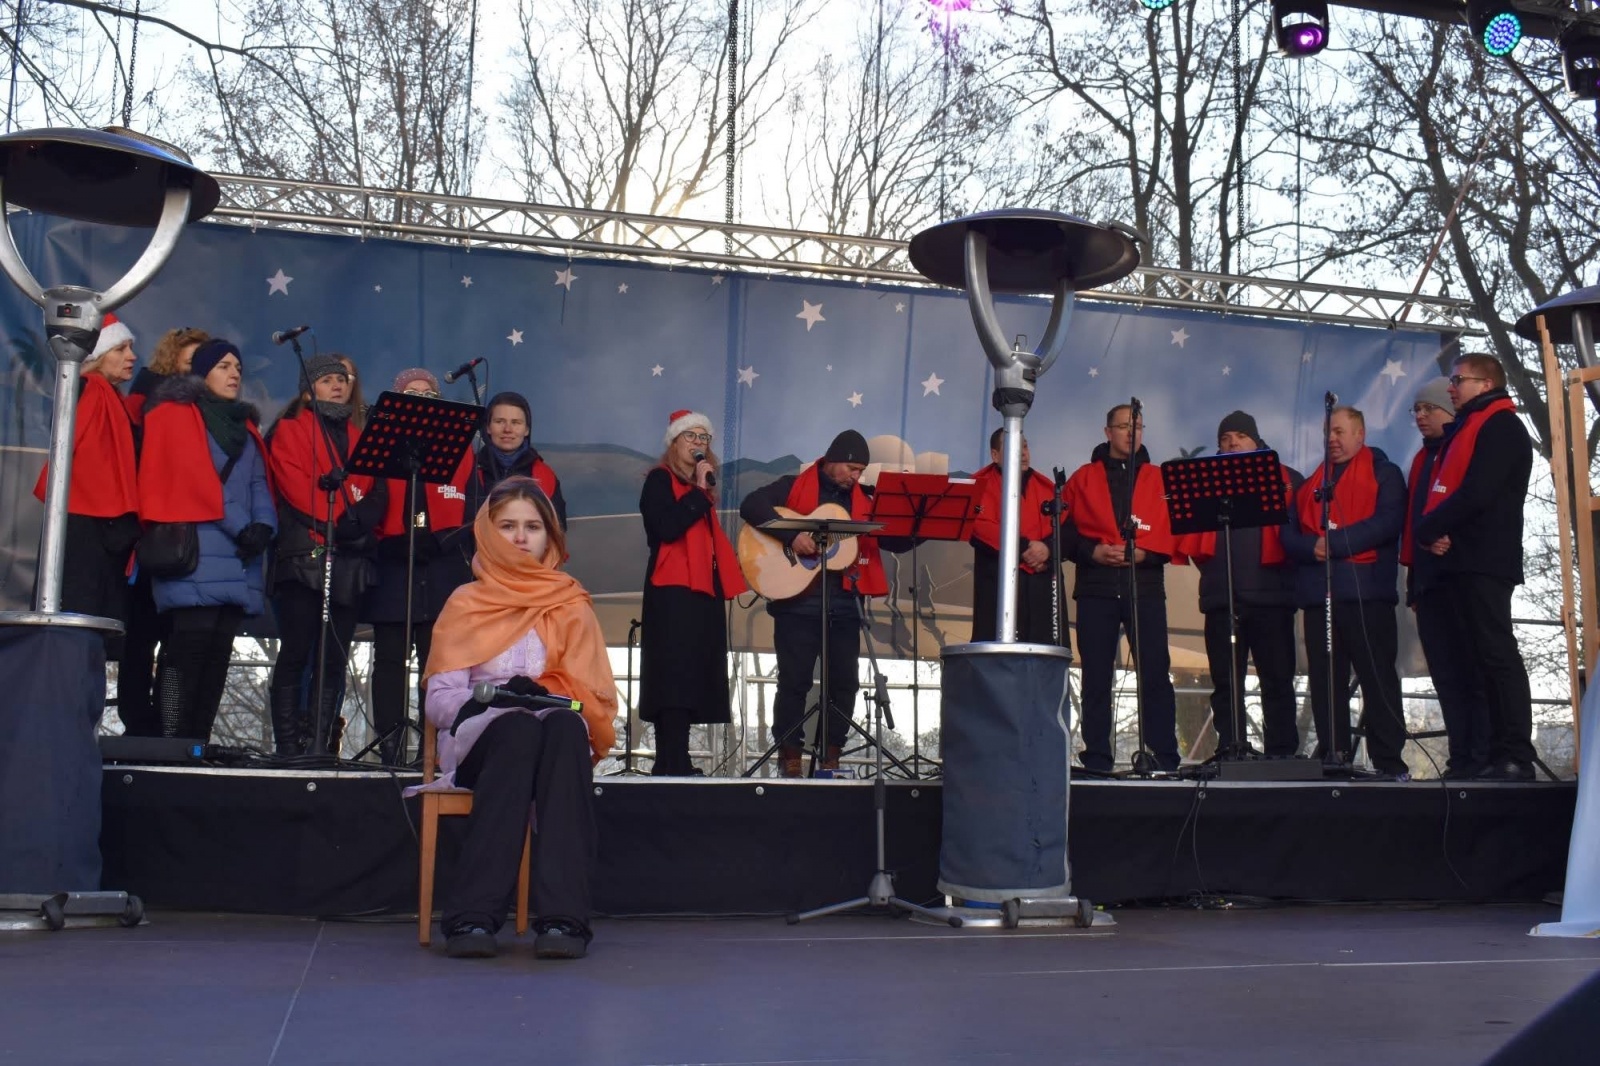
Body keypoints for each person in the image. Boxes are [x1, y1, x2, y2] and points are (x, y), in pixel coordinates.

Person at [423, 477, 617, 960]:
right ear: (487, 532)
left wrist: (545, 696)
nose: (520, 537)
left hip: (554, 741)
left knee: (563, 726)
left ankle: (563, 921)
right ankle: (472, 916)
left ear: (550, 537)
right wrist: (491, 702)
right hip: (481, 743)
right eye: (507, 525)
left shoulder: (571, 603)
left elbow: (593, 695)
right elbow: (439, 700)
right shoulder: (465, 602)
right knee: (515, 728)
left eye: (532, 527)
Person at [739, 429, 914, 777]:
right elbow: (751, 506)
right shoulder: (792, 486)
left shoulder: (865, 498)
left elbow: (892, 538)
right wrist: (793, 535)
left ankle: (831, 755)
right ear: (832, 461)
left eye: (861, 470)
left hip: (846, 603)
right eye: (851, 468)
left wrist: (917, 526)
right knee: (794, 681)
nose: (856, 476)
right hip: (796, 603)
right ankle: (791, 755)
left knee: (845, 683)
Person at [136, 341, 276, 740]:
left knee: (217, 656)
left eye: (238, 367)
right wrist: (242, 526)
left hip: (236, 559)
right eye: (223, 366)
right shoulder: (177, 416)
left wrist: (264, 527)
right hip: (195, 553)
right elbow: (194, 478)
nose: (234, 373)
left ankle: (197, 742)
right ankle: (172, 740)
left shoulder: (244, 428)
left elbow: (257, 483)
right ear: (201, 373)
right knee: (186, 653)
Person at [1413, 355, 1536, 781]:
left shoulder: (1501, 426)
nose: (1451, 388)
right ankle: (1488, 752)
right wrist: (1438, 533)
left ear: (1485, 384)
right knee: (1476, 662)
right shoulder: (1470, 427)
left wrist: (1430, 526)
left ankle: (1517, 751)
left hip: (1487, 560)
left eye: (1458, 380)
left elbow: (1478, 493)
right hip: (1463, 560)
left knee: (1497, 655)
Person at [266, 353, 386, 757]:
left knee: (334, 657)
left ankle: (320, 744)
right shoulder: (289, 429)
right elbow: (295, 488)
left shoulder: (360, 436)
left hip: (350, 559)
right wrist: (340, 521)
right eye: (327, 379)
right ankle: (288, 745)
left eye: (343, 378)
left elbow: (377, 493)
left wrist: (356, 523)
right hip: (304, 557)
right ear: (308, 389)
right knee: (298, 650)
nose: (338, 385)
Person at [1282, 405, 1410, 779]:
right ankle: (1333, 754)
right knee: (1324, 680)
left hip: (1366, 593)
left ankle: (1389, 760)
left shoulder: (1385, 474)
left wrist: (1333, 543)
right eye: (1327, 433)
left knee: (1377, 676)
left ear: (1360, 435)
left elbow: (1387, 522)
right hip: (1319, 597)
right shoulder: (1311, 484)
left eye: (1340, 432)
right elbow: (1288, 534)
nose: (1332, 440)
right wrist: (1313, 548)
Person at [1173, 411, 1302, 760]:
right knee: (1226, 683)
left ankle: (1282, 753)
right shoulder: (1202, 482)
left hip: (1272, 598)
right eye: (1225, 438)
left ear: (1255, 441)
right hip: (1220, 598)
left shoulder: (1288, 478)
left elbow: (1301, 536)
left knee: (1277, 679)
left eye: (1240, 437)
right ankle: (1231, 747)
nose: (1232, 443)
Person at [1060, 404, 1180, 774]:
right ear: (1107, 431)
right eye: (1125, 426)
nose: (1132, 432)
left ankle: (1164, 756)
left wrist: (1147, 552)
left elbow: (1178, 530)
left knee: (1156, 673)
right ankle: (1097, 757)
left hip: (1144, 587)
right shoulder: (1082, 478)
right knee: (1096, 677)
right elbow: (1062, 532)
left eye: (1138, 426)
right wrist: (1091, 551)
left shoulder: (1160, 479)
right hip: (1096, 587)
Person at [364, 368, 475, 765]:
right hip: (395, 568)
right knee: (390, 660)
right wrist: (387, 541)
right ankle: (390, 747)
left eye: (429, 396)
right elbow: (365, 502)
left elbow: (473, 509)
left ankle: (433, 750)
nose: (421, 402)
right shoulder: (380, 444)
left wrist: (442, 539)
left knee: (438, 665)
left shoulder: (458, 449)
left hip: (442, 569)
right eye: (412, 395)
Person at [638, 409, 747, 775]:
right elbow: (665, 528)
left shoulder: (700, 493)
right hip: (671, 592)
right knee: (673, 673)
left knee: (693, 672)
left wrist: (701, 492)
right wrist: (700, 493)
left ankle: (676, 760)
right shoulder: (658, 480)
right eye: (691, 437)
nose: (699, 444)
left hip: (702, 589)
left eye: (705, 438)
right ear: (674, 443)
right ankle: (671, 761)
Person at [120, 325, 211, 737]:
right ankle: (138, 725)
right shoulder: (145, 400)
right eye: (190, 362)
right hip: (152, 536)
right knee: (139, 641)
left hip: (195, 544)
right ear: (171, 361)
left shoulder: (212, 409)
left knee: (180, 646)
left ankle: (171, 729)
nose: (195, 371)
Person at [32, 312, 141, 657]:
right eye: (121, 349)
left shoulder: (115, 401)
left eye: (130, 349)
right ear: (96, 354)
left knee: (95, 628)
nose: (132, 357)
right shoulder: (83, 388)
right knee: (77, 622)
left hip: (105, 526)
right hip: (84, 522)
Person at [1402, 378, 1488, 779]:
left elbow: (1470, 504)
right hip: (1428, 582)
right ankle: (1459, 756)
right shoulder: (1421, 460)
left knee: (1471, 669)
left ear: (1450, 414)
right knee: (1445, 675)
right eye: (1416, 410)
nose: (1420, 416)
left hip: (1459, 577)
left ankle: (1481, 753)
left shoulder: (1461, 452)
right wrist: (1414, 583)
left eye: (1428, 409)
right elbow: (1413, 523)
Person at [969, 427, 1061, 644]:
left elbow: (1066, 529)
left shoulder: (1047, 487)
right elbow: (981, 529)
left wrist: (1047, 550)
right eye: (1014, 447)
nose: (1022, 453)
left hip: (1042, 585)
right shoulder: (978, 485)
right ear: (995, 455)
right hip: (998, 585)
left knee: (1045, 654)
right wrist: (1027, 548)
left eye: (1025, 446)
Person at [464, 391, 567, 529]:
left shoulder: (544, 475)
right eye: (499, 421)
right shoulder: (469, 471)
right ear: (488, 428)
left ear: (526, 430)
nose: (508, 429)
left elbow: (556, 532)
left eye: (516, 422)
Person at [125, 326, 209, 429]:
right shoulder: (145, 397)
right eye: (190, 363)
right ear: (172, 361)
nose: (197, 368)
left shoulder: (210, 408)